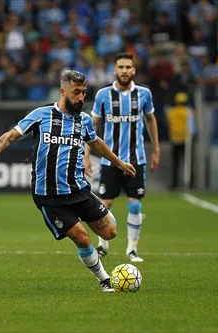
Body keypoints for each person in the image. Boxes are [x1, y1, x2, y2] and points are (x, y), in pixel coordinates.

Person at [0, 70, 136, 292]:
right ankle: (104, 279)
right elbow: (11, 135)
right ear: (63, 91)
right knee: (83, 238)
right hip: (50, 197)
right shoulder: (41, 114)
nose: (81, 97)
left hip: (80, 191)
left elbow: (95, 143)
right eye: (77, 92)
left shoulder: (83, 120)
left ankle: (97, 211)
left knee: (110, 233)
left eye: (84, 93)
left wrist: (119, 163)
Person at [84, 52, 160, 262]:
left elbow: (151, 120)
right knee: (105, 204)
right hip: (110, 160)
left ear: (134, 70)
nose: (124, 71)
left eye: (128, 67)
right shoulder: (103, 95)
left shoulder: (144, 94)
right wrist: (86, 155)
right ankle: (103, 244)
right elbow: (92, 126)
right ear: (115, 70)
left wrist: (156, 150)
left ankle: (132, 249)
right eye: (121, 67)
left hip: (136, 159)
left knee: (134, 204)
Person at [166, 92, 196, 189]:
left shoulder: (171, 112)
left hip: (174, 139)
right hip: (185, 139)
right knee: (188, 163)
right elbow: (191, 126)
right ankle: (190, 183)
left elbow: (169, 124)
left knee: (175, 163)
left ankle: (174, 183)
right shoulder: (188, 111)